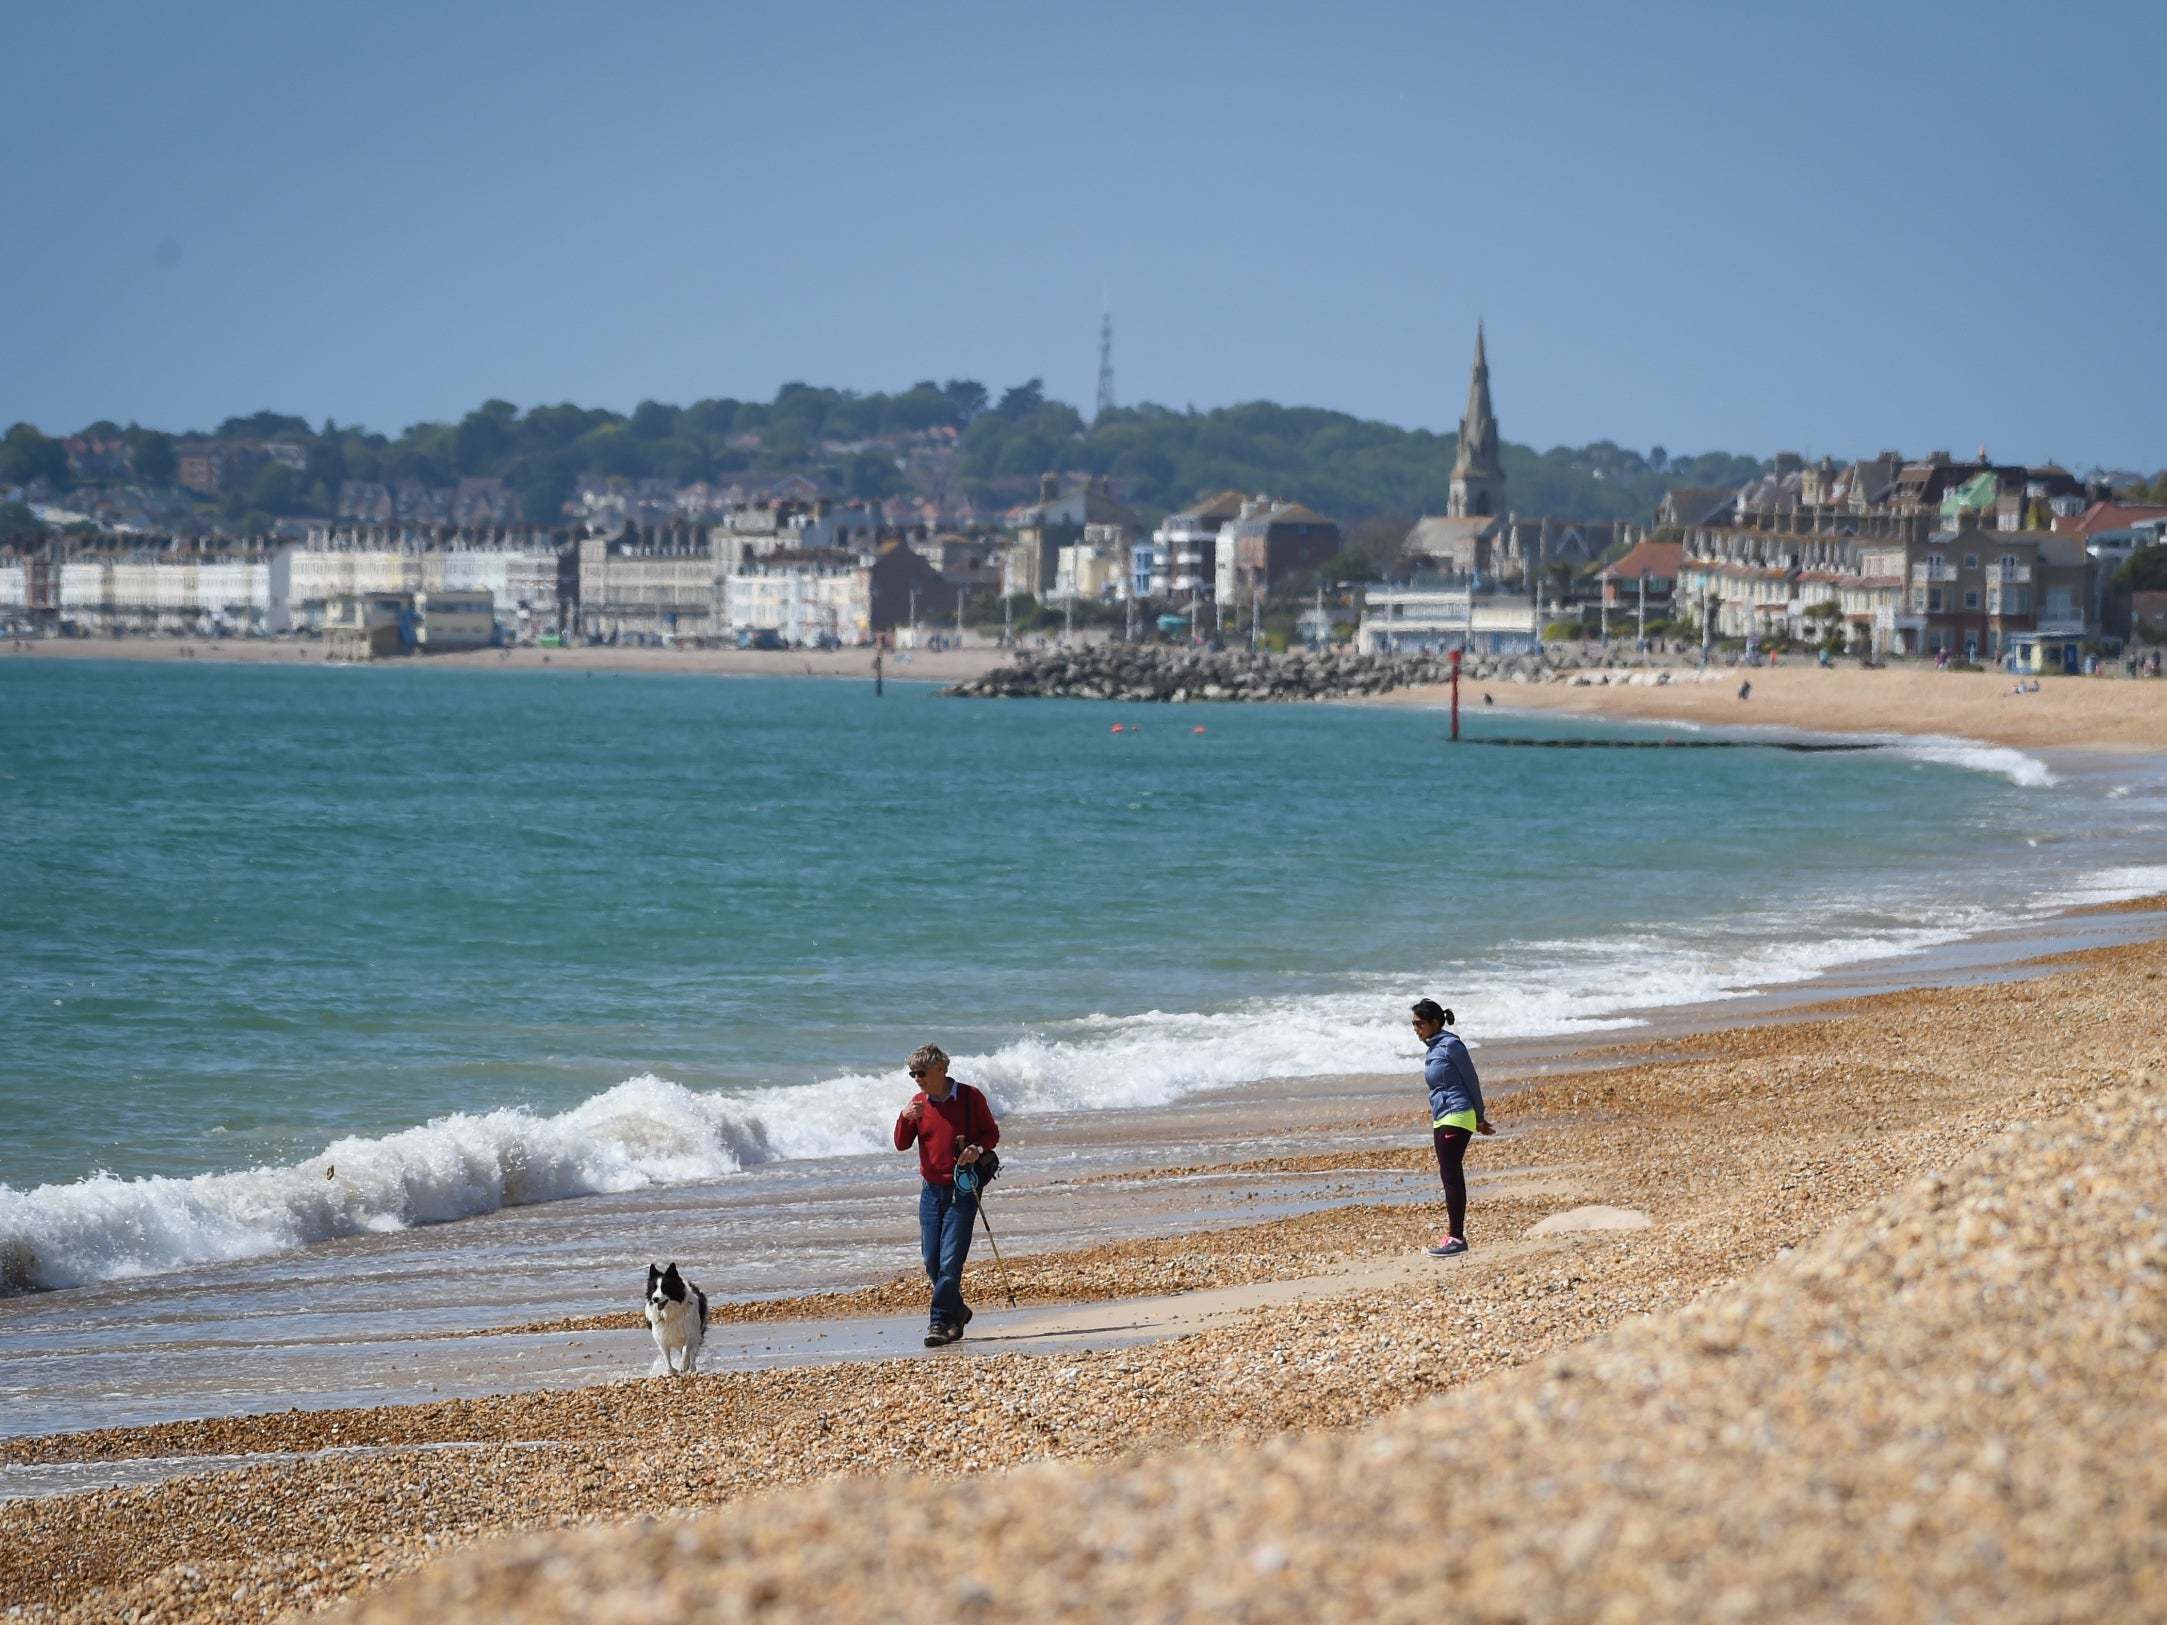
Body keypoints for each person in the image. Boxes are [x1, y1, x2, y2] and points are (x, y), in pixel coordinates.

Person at [893, 1043, 1000, 1346]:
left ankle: (938, 1322)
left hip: (964, 1189)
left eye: (921, 1072)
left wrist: (975, 1149)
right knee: (931, 1260)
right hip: (931, 1191)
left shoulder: (970, 1097)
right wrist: (904, 1117)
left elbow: (991, 1133)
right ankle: (958, 1310)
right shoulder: (917, 1103)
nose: (917, 1079)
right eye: (912, 1073)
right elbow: (902, 1144)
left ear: (941, 1068)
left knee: (950, 1262)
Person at [1412, 999, 1492, 1258]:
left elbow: (1471, 1079)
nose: (1416, 1028)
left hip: (1457, 1114)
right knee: (1448, 1174)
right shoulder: (1434, 1047)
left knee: (1451, 1175)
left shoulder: (1451, 1046)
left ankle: (1457, 1237)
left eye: (1420, 1023)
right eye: (1413, 1023)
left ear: (1435, 1022)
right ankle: (1454, 1234)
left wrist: (1479, 1117)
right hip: (1443, 1115)